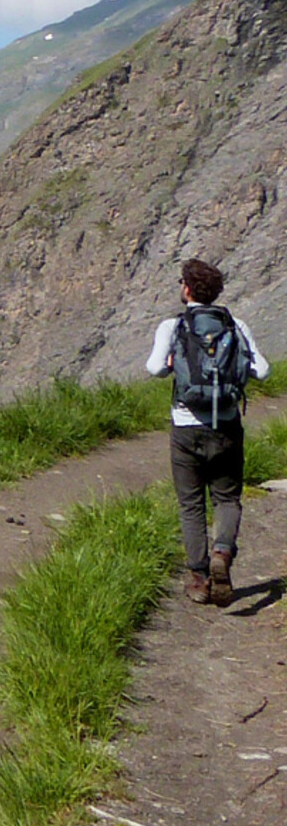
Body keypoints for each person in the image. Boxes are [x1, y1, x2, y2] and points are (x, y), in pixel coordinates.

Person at [146, 259, 269, 606]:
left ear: (186, 288)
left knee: (191, 504)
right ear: (217, 292)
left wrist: (175, 364)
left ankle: (199, 579)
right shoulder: (235, 324)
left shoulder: (173, 326)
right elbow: (263, 370)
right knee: (227, 497)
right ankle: (223, 553)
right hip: (227, 425)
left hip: (185, 426)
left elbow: (154, 368)